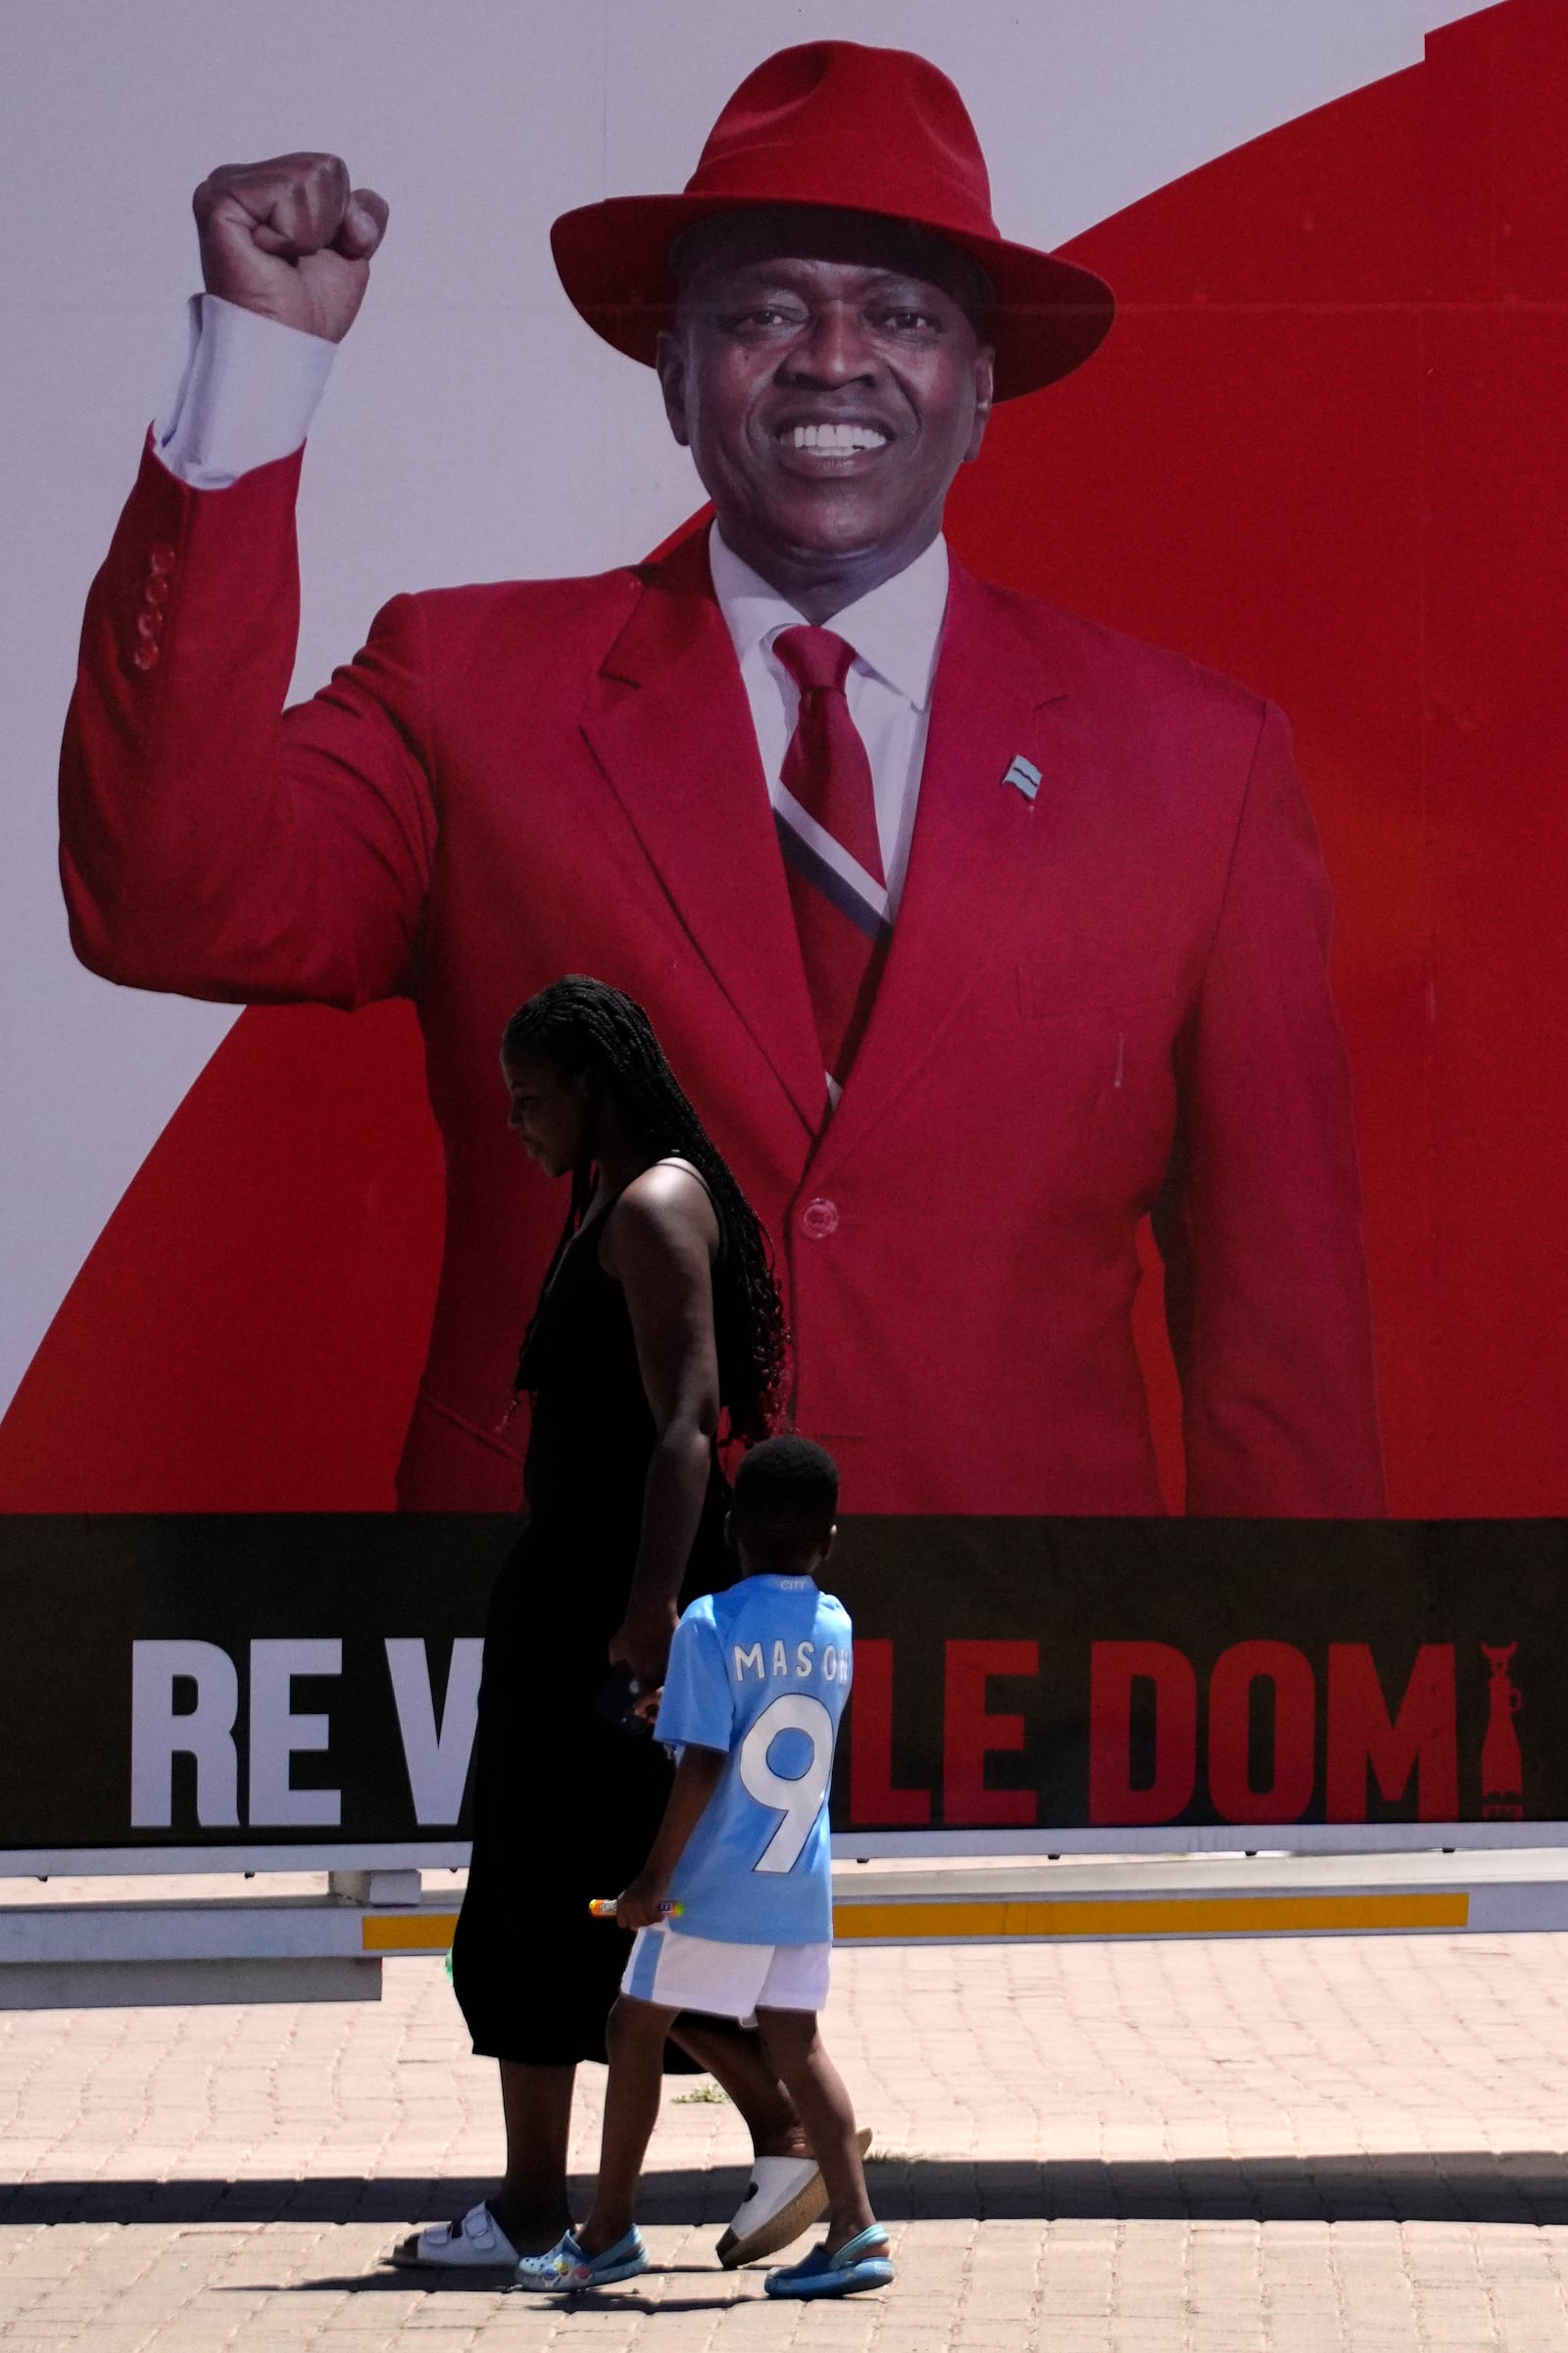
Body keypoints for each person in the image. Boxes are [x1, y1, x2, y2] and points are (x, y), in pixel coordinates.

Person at [60, 38, 1385, 1525]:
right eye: (762, 311)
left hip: (1029, 1702)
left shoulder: (1199, 764)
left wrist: (1291, 1716)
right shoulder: (465, 689)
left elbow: (1285, 1351)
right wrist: (258, 372)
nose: (833, 357)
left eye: (900, 312)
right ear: (674, 377)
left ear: (981, 384)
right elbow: (163, 900)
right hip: (566, 1664)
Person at [395, 977, 834, 2269]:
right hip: (591, 1602)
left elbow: (688, 1424)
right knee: (629, 1907)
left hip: (608, 1615)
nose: (518, 1119)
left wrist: (647, 1616)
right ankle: (786, 2145)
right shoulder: (622, 1194)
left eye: (533, 1096)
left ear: (594, 1081)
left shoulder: (648, 1206)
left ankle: (546, 2207)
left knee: (546, 1902)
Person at [514, 1435, 891, 2302]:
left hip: (712, 1883)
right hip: (798, 1879)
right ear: (829, 1538)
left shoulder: (710, 1623)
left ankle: (605, 2232)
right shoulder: (835, 1624)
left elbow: (710, 1763)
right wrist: (679, 1710)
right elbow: (768, 1723)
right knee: (797, 2041)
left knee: (631, 2027)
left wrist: (651, 1880)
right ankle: (857, 2225)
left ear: (732, 1529)